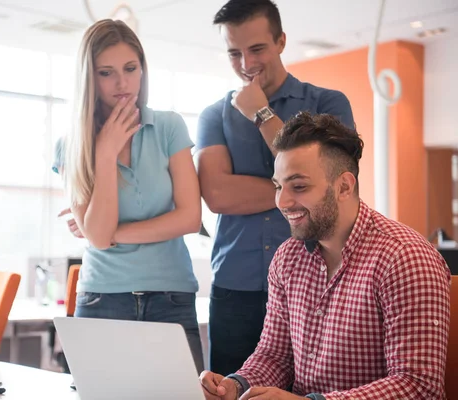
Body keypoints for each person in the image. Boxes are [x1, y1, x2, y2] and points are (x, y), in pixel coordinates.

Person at [199, 112, 451, 400]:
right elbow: (274, 356)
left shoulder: (405, 258)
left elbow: (418, 386)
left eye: (299, 186)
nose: (281, 201)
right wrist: (236, 385)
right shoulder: (287, 258)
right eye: (279, 186)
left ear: (344, 186)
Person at [195, 0, 355, 375]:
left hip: (316, 281)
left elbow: (334, 181)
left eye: (257, 49)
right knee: (230, 389)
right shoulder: (214, 115)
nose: (247, 64)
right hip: (236, 287)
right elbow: (217, 196)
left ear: (281, 41)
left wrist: (262, 114)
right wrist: (303, 187)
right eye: (234, 53)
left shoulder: (328, 103)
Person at [59, 19, 204, 373]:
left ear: (143, 70)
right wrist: (105, 153)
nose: (122, 83)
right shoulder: (72, 145)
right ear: (89, 79)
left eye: (130, 68)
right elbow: (96, 235)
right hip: (101, 299)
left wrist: (112, 234)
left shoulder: (169, 126)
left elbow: (189, 218)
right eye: (106, 72)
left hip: (171, 297)